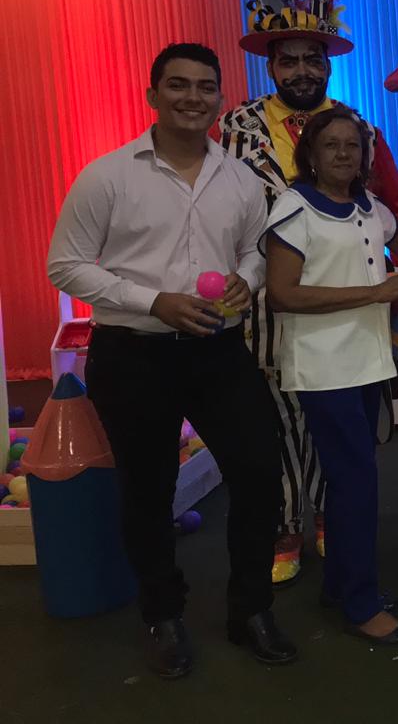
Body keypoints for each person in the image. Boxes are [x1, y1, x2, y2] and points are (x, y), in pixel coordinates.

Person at [47, 43, 296, 679]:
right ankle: (162, 614)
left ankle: (251, 610)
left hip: (219, 350)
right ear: (152, 95)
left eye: (206, 87)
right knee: (148, 489)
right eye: (178, 85)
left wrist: (246, 279)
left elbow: (255, 250)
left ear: (220, 98)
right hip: (132, 355)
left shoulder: (240, 178)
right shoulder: (107, 176)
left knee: (259, 472)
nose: (193, 97)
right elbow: (65, 265)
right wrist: (154, 301)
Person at [221, 0, 398, 586]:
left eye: (314, 58)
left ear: (329, 64)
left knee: (350, 428)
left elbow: (397, 209)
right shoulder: (236, 129)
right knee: (277, 420)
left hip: (355, 307)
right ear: (271, 66)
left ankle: (338, 520)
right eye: (289, 61)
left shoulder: (358, 129)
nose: (302, 71)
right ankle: (284, 523)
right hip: (265, 301)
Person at [263, 107, 398, 645]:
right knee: (357, 483)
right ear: (310, 154)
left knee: (349, 481)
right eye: (330, 144)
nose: (342, 153)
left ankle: (340, 586)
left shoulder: (370, 207)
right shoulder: (294, 209)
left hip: (368, 361)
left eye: (352, 145)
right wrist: (376, 293)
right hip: (324, 367)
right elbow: (282, 293)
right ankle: (360, 604)